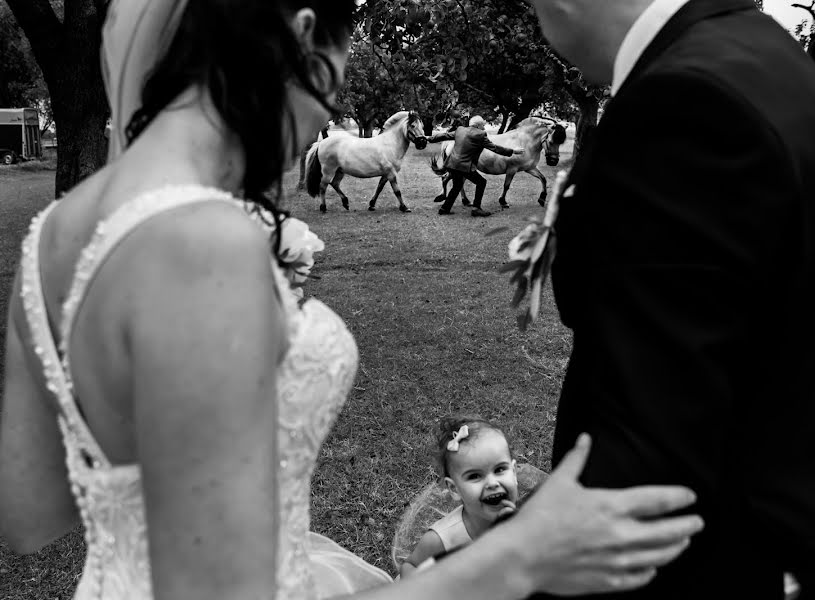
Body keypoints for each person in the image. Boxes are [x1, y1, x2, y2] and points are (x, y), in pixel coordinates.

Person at [0, 1, 707, 599]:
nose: (321, 123)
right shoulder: (206, 244)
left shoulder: (58, 230)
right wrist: (522, 555)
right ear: (301, 39)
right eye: (331, 87)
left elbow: (29, 512)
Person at [524, 0, 815, 598]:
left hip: (701, 561)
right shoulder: (769, 61)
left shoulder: (683, 102)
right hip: (784, 524)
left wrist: (506, 570)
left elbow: (655, 435)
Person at [399, 417, 518, 577]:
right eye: (475, 476)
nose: (492, 483)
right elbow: (410, 567)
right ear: (455, 489)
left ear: (515, 473)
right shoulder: (442, 539)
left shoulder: (526, 519)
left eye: (499, 470)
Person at [427, 116, 524, 217]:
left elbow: (444, 136)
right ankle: (476, 209)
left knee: (457, 186)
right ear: (478, 125)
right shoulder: (480, 134)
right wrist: (513, 151)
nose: (484, 127)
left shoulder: (460, 130)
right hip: (464, 166)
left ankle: (444, 208)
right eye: (483, 124)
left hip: (452, 164)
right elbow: (495, 148)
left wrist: (428, 138)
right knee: (481, 182)